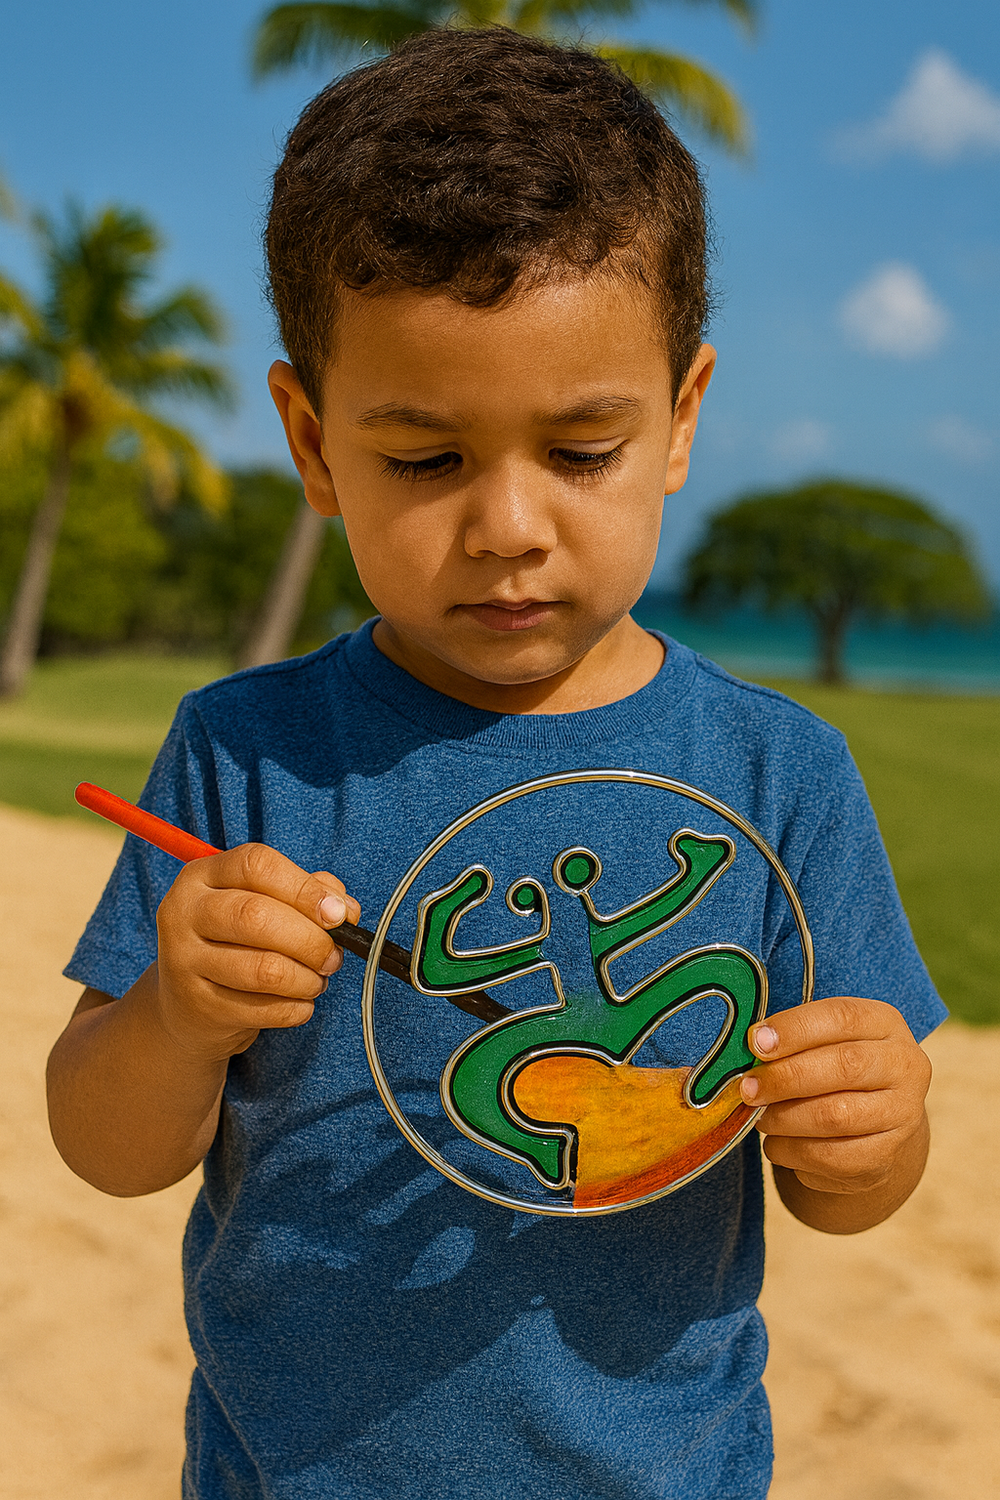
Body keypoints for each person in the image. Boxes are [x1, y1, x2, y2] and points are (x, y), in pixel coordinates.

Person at [47, 28, 944, 1500]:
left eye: (583, 448)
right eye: (423, 460)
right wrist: (173, 1014)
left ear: (682, 419)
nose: (509, 527)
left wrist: (873, 1130)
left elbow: (847, 1198)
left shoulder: (783, 770)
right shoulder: (242, 753)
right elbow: (106, 1147)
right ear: (313, 441)